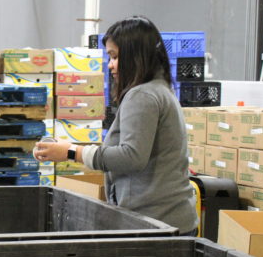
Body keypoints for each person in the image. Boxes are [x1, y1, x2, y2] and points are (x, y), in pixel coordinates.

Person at [34, 16, 198, 235]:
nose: (110, 65)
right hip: (169, 220)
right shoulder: (159, 89)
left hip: (156, 222)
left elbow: (131, 157)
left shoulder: (143, 95)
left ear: (135, 56)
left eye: (115, 56)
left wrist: (72, 152)